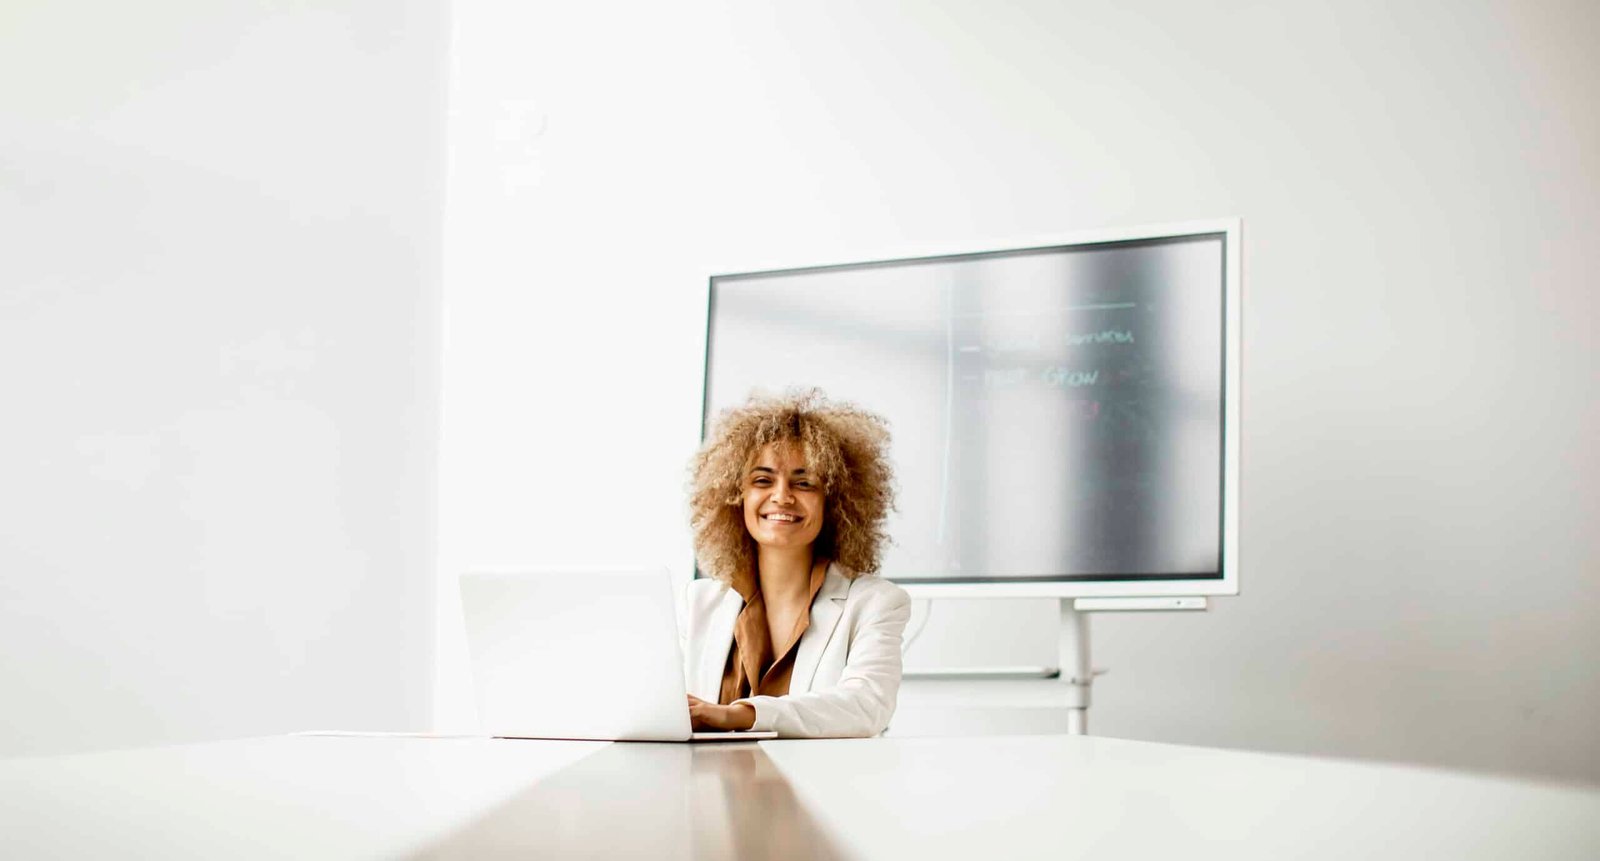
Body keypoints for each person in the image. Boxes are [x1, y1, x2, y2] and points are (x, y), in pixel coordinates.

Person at [681, 390, 911, 738]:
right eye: (762, 480)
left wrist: (738, 715)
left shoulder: (875, 603)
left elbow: (866, 707)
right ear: (734, 494)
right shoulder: (698, 603)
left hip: (819, 791)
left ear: (834, 501)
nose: (782, 496)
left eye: (804, 483)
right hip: (707, 790)